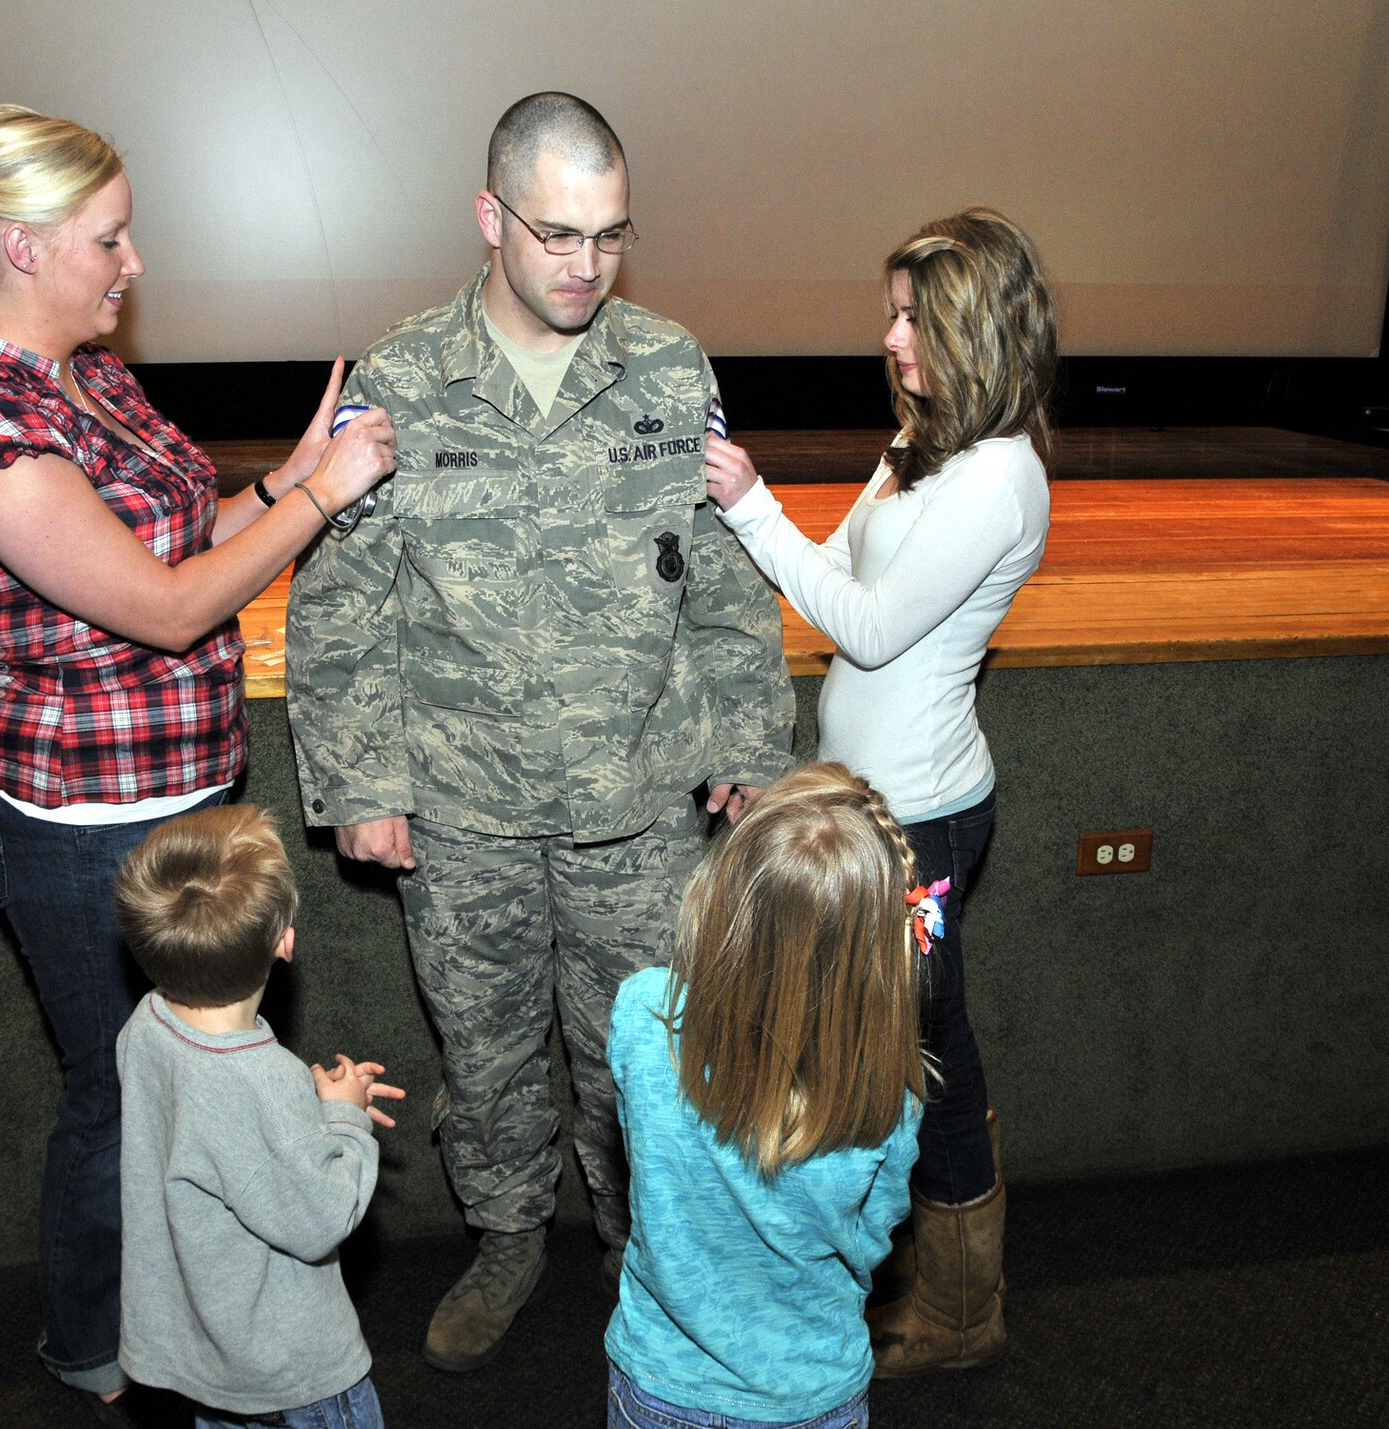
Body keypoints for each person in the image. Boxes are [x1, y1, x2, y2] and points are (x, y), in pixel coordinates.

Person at [0, 104, 396, 1417]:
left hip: (179, 794)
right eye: (110, 237)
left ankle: (204, 1307)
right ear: (30, 250)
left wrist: (287, 479)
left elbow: (177, 543)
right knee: (121, 1103)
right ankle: (87, 1335)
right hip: (77, 827)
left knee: (192, 1091)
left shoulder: (87, 372)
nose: (135, 261)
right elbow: (166, 610)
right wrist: (328, 499)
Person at [284, 91, 795, 1372]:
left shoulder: (670, 367)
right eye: (557, 233)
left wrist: (749, 737)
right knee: (487, 1044)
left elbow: (725, 571)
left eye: (610, 235)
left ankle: (641, 1250)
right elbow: (345, 598)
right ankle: (507, 1236)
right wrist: (360, 781)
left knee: (646, 1054)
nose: (584, 265)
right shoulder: (403, 375)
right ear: (488, 217)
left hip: (639, 795)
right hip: (462, 808)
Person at [701, 207, 1057, 1376]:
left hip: (924, 828)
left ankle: (958, 1314)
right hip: (863, 807)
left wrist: (748, 500)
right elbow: (843, 560)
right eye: (893, 312)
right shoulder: (923, 447)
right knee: (907, 1039)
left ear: (973, 327)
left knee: (920, 1049)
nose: (889, 336)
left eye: (913, 316)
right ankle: (921, 1288)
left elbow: (859, 624)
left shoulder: (998, 478)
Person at [605, 762, 926, 1429]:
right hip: (810, 1395)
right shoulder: (886, 1100)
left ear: (721, 889)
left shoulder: (642, 1014)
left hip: (662, 1380)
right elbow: (870, 1239)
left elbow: (641, 1154)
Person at [114, 803, 404, 1428]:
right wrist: (344, 1121)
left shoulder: (146, 1028)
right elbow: (321, 1217)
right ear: (285, 943)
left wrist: (310, 1101)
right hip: (292, 1376)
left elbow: (220, 1126)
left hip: (210, 1359)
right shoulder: (262, 1079)